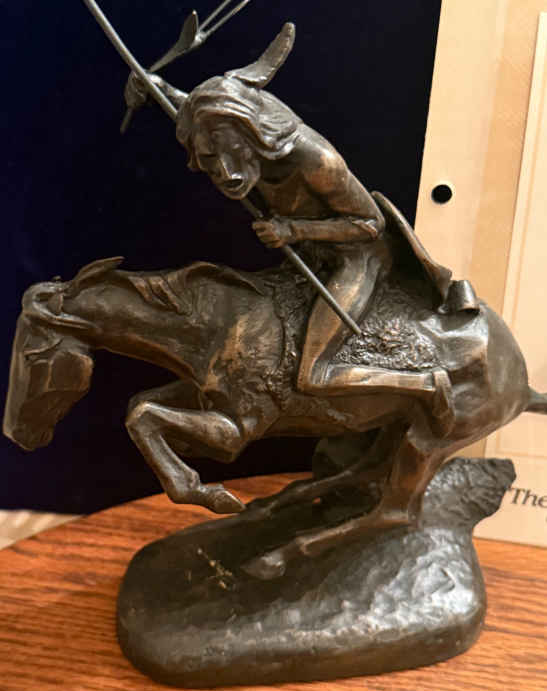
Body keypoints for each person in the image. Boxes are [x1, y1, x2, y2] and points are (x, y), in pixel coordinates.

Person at [125, 24, 454, 433]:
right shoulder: (219, 134)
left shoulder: (316, 161)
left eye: (235, 153)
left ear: (254, 134)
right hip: (308, 260)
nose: (226, 172)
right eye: (210, 159)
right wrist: (154, 86)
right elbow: (196, 112)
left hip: (356, 260)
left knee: (312, 373)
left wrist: (293, 231)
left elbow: (371, 224)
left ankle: (428, 384)